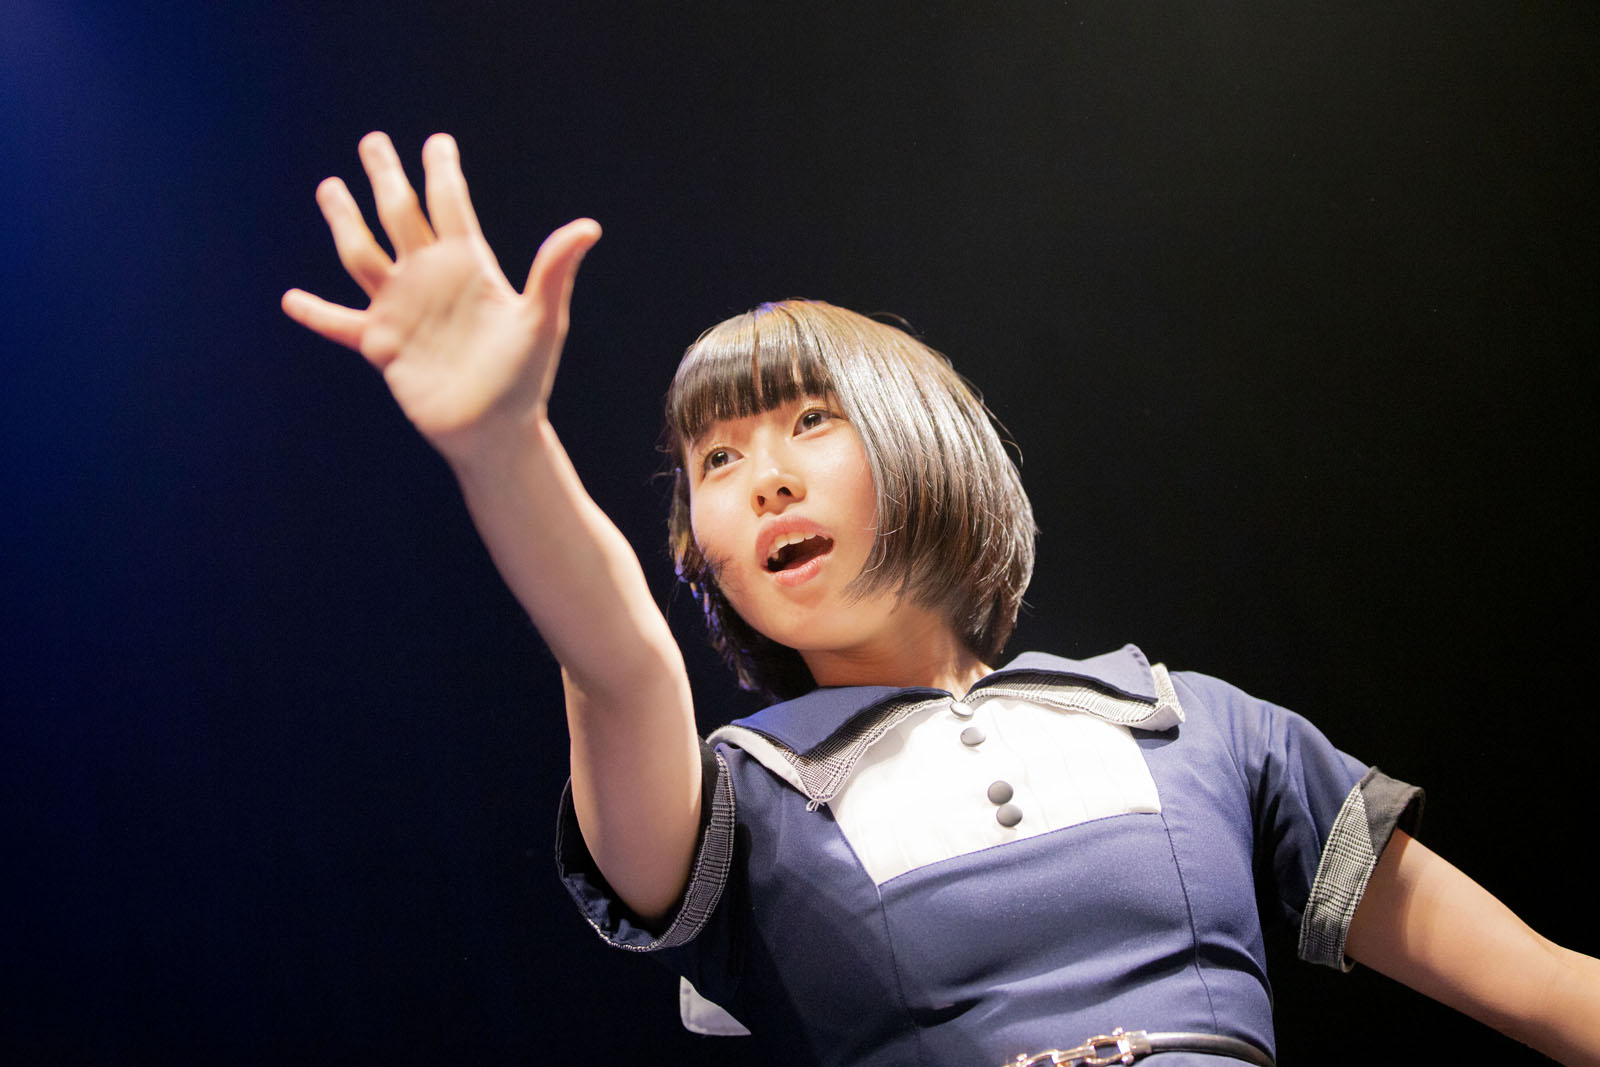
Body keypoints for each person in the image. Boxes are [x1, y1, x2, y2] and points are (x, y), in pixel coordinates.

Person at [282, 132, 1600, 1066]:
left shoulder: (1201, 723)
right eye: (716, 462)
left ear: (925, 442)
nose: (764, 479)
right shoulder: (730, 798)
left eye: (810, 422)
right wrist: (504, 447)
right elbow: (618, 662)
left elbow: (1551, 991)